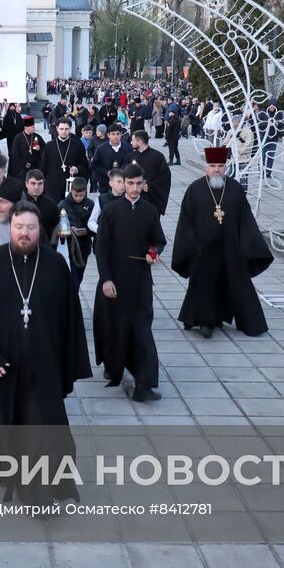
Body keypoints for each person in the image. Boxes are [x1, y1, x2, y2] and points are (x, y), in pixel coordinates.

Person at [0, 202, 90, 491]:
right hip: (3, 367)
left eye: (30, 228)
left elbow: (71, 319)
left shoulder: (55, 265)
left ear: (39, 229)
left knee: (46, 429)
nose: (24, 234)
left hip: (44, 365)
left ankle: (42, 494)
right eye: (19, 228)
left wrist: (67, 364)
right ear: (10, 227)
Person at [171, 147, 273, 338]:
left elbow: (246, 220)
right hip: (203, 249)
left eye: (220, 166)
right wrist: (191, 246)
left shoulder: (234, 188)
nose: (216, 170)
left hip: (230, 248)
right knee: (204, 282)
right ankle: (205, 322)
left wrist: (248, 246)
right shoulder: (195, 189)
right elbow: (186, 221)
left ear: (226, 167)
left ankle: (246, 322)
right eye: (212, 166)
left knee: (238, 283)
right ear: (206, 167)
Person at [93, 163, 168, 402]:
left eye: (139, 184)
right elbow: (101, 248)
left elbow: (158, 241)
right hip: (115, 281)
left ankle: (144, 384)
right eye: (130, 183)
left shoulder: (150, 211)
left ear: (144, 184)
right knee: (116, 328)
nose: (135, 188)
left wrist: (153, 253)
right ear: (123, 184)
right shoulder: (111, 211)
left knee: (142, 330)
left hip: (141, 281)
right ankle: (114, 366)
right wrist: (106, 279)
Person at [56, 176, 94, 287]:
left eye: (81, 195)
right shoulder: (63, 204)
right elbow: (56, 223)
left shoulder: (90, 204)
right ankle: (72, 298)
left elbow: (94, 225)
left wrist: (85, 231)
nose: (78, 198)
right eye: (76, 195)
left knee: (80, 274)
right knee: (72, 279)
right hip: (67, 247)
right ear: (71, 191)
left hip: (83, 246)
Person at [40, 117, 89, 200]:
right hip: (53, 186)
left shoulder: (77, 146)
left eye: (66, 129)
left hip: (71, 186)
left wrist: (77, 169)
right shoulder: (49, 146)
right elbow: (43, 167)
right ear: (57, 128)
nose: (63, 131)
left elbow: (85, 166)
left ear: (70, 128)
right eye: (61, 129)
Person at [129, 129, 173, 215]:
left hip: (152, 198)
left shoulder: (157, 156)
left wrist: (149, 185)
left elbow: (165, 176)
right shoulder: (131, 156)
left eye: (133, 140)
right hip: (134, 198)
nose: (131, 142)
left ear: (140, 142)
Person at [90, 124, 132, 193]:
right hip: (105, 184)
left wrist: (121, 172)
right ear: (108, 135)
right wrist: (106, 172)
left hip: (123, 184)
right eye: (113, 134)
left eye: (118, 134)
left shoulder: (127, 147)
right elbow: (94, 165)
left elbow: (129, 163)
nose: (115, 136)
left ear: (121, 134)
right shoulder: (101, 148)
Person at [22, 169, 59, 243]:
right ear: (26, 184)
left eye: (40, 183)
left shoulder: (51, 205)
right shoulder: (19, 203)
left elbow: (57, 227)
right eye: (33, 183)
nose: (36, 187)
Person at [8, 115, 43, 180]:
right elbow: (14, 154)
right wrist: (24, 163)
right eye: (32, 127)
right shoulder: (18, 138)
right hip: (22, 169)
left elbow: (45, 150)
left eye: (34, 126)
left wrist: (39, 148)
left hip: (35, 167)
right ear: (26, 127)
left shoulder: (37, 136)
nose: (34, 128)